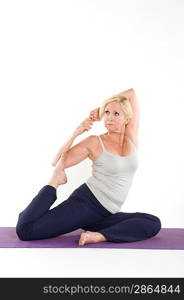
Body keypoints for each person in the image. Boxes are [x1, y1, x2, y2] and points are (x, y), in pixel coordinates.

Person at [16, 88, 161, 246]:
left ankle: (99, 235)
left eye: (116, 114)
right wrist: (76, 133)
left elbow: (132, 93)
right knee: (26, 230)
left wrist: (100, 110)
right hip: (86, 205)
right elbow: (57, 161)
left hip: (106, 214)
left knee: (152, 222)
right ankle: (50, 187)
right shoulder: (95, 142)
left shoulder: (131, 137)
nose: (109, 118)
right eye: (106, 113)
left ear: (127, 119)